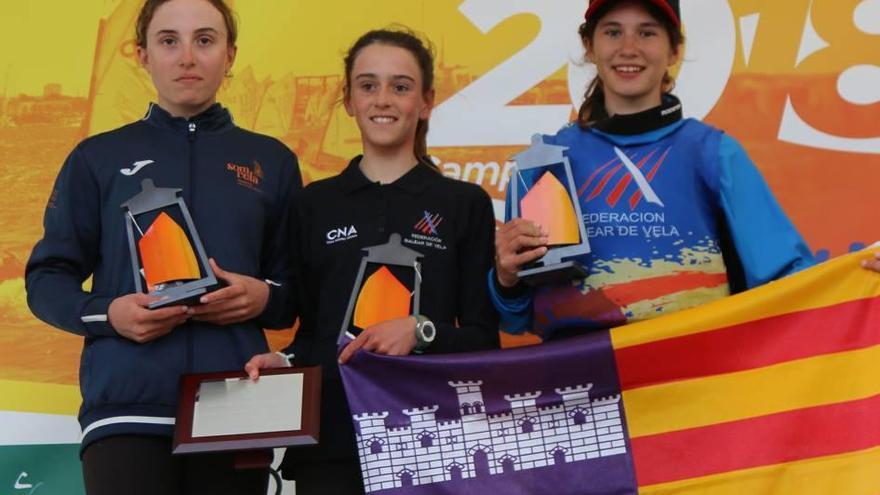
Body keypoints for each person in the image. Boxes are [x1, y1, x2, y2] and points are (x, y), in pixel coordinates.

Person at [25, 0, 301, 493]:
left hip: (236, 404)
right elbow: (46, 279)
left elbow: (295, 290)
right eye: (169, 40)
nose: (187, 57)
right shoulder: (97, 157)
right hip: (125, 410)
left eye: (205, 39)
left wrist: (264, 297)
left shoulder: (273, 162)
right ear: (143, 55)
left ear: (230, 55)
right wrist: (110, 314)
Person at [491, 0, 880, 339]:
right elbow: (517, 318)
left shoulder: (712, 153)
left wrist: (862, 278)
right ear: (589, 47)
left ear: (674, 50)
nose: (629, 49)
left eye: (647, 33)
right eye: (613, 32)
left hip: (692, 394)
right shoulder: (546, 163)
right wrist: (507, 279)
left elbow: (790, 280)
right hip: (585, 394)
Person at [244, 28, 500, 494]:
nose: (383, 99)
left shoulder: (465, 203)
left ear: (425, 102)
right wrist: (283, 361)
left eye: (400, 86)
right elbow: (311, 333)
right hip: (333, 441)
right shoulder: (312, 205)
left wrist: (421, 331)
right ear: (348, 99)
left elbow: (484, 339)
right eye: (368, 85)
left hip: (434, 437)